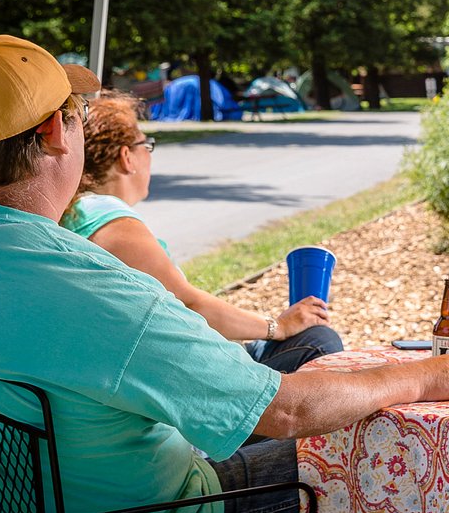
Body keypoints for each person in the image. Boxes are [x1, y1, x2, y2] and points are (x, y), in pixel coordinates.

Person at [0, 35, 449, 513]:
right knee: (376, 453)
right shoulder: (91, 289)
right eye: (75, 116)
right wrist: (424, 374)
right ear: (52, 133)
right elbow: (288, 413)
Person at [62, 90, 342, 371]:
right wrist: (278, 326)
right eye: (146, 145)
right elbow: (189, 305)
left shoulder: (78, 211)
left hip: (175, 356)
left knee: (299, 338)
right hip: (189, 372)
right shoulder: (107, 218)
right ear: (127, 157)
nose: (149, 154)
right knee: (319, 340)